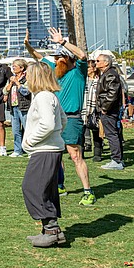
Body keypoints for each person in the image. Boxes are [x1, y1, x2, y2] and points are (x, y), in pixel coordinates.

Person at [25, 28, 96, 205]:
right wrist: (27, 45)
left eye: (59, 58)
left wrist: (63, 42)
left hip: (72, 119)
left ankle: (88, 191)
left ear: (68, 58)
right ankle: (60, 185)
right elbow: (38, 57)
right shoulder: (56, 72)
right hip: (58, 118)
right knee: (57, 154)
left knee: (75, 156)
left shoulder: (78, 71)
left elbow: (83, 55)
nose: (56, 61)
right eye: (55, 58)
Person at [21, 61, 67, 247]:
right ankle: (52, 230)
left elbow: (48, 124)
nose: (25, 77)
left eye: (28, 74)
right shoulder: (49, 96)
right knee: (46, 189)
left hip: (45, 150)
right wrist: (55, 136)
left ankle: (50, 230)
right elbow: (62, 120)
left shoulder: (43, 97)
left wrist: (31, 140)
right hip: (51, 148)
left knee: (32, 188)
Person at [95, 53, 125, 171]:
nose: (95, 63)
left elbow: (112, 93)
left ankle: (116, 160)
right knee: (113, 134)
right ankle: (117, 159)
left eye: (98, 61)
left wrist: (105, 108)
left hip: (109, 111)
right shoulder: (107, 74)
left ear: (106, 62)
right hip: (109, 109)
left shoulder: (110, 74)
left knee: (111, 134)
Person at [5, 59, 32, 158]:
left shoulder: (27, 78)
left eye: (15, 66)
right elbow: (5, 91)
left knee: (27, 129)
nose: (13, 68)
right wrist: (12, 83)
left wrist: (17, 83)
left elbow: (26, 92)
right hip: (13, 107)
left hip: (24, 107)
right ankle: (17, 150)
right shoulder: (11, 79)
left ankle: (30, 149)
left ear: (21, 68)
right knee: (15, 130)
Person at [81, 64, 103, 162]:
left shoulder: (100, 80)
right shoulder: (82, 80)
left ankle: (97, 153)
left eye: (89, 67)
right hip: (83, 108)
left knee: (96, 132)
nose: (88, 69)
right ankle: (81, 153)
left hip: (96, 109)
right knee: (81, 132)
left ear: (94, 69)